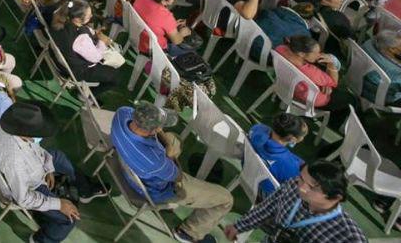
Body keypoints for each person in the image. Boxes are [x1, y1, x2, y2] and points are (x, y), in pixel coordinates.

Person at [110, 102, 234, 243]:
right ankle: (188, 233)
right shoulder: (155, 161)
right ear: (153, 130)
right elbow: (177, 176)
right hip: (156, 189)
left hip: (126, 164)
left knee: (174, 139)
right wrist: (171, 156)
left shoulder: (122, 113)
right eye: (159, 127)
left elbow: (163, 140)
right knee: (226, 200)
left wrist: (167, 143)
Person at [0, 102, 107, 243]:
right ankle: (41, 240)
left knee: (57, 156)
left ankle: (85, 190)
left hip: (32, 168)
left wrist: (48, 168)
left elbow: (35, 149)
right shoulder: (14, 159)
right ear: (26, 134)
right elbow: (23, 198)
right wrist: (59, 204)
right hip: (29, 186)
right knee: (69, 219)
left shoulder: (11, 123)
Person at [223, 162, 367, 242]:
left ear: (336, 197)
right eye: (301, 178)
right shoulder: (294, 185)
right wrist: (240, 226)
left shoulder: (350, 238)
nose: (301, 188)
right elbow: (269, 207)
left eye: (311, 187)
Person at [247, 112, 307, 195]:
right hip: (265, 191)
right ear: (292, 139)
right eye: (302, 136)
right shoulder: (289, 165)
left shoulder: (257, 128)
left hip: (247, 170)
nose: (302, 138)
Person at [362, 29, 401, 106]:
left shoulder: (368, 44)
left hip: (360, 82)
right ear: (392, 49)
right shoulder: (395, 71)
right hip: (378, 95)